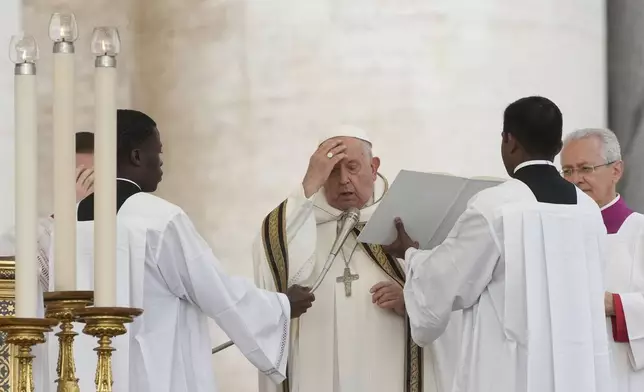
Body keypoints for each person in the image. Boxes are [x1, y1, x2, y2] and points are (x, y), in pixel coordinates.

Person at [48, 109, 314, 392]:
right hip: (154, 377)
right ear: (137, 157)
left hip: (83, 376)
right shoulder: (160, 219)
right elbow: (216, 291)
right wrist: (281, 305)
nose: (162, 163)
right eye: (158, 152)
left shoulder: (67, 221)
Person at [384, 96, 613, 392]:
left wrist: (410, 253)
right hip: (577, 368)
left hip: (512, 372)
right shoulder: (587, 209)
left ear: (509, 141)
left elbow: (447, 279)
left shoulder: (495, 206)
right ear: (558, 148)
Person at [252, 125, 461, 392]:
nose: (343, 180)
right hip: (318, 367)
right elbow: (269, 266)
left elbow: (452, 296)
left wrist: (411, 299)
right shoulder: (298, 226)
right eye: (331, 171)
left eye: (352, 167)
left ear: (373, 168)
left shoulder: (405, 221)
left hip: (389, 365)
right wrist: (306, 186)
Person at [561, 127, 644, 391]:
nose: (576, 180)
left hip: (622, 377)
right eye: (568, 171)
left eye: (586, 169)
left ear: (616, 171)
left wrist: (616, 304)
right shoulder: (553, 234)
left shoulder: (639, 231)